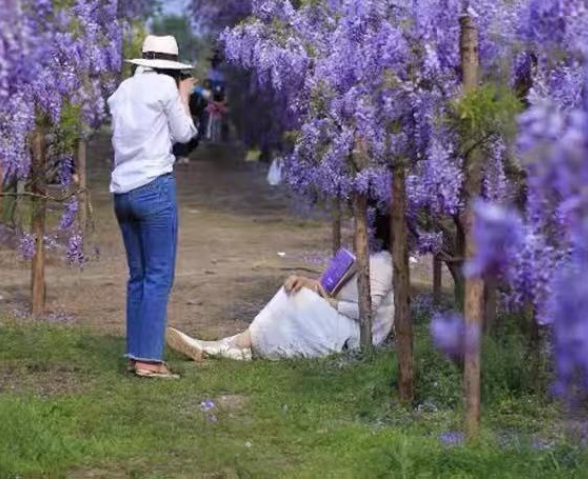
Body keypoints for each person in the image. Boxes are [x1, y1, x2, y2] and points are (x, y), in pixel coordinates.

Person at [166, 207, 394, 361]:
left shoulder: (381, 263)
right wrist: (306, 282)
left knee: (295, 300)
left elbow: (367, 311)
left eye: (359, 223)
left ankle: (228, 346)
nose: (352, 227)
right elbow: (329, 288)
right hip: (345, 322)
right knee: (295, 292)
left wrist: (330, 304)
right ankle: (232, 345)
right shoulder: (360, 254)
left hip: (358, 336)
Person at [108, 34, 197, 379]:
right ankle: (148, 361)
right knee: (159, 275)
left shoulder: (123, 90)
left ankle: (137, 354)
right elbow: (185, 134)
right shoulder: (164, 87)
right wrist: (184, 95)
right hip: (154, 189)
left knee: (139, 276)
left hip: (122, 192)